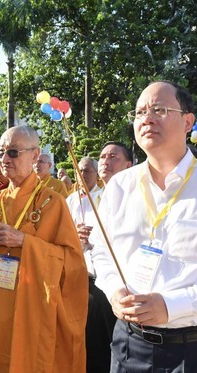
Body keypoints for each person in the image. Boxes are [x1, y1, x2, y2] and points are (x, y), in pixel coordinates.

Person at [91, 81, 197, 372]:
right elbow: (101, 251)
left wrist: (173, 305)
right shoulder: (120, 186)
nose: (146, 119)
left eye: (159, 110)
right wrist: (114, 290)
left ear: (187, 121)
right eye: (140, 112)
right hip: (128, 344)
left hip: (193, 350)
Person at [0, 125, 88, 372]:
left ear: (35, 155)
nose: (4, 159)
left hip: (30, 307)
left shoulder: (53, 202)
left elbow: (71, 263)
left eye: (12, 152)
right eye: (0, 152)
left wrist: (24, 242)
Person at [66, 155, 117, 373]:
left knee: (107, 334)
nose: (82, 175)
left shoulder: (105, 196)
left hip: (103, 274)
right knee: (86, 334)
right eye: (79, 171)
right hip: (80, 272)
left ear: (96, 174)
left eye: (87, 171)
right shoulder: (70, 200)